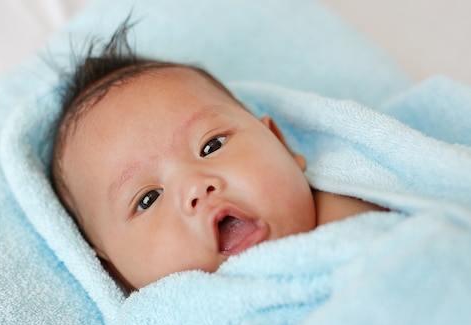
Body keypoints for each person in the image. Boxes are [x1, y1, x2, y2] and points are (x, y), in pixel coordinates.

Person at [50, 21, 386, 292]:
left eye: (211, 146)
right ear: (114, 270)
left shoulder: (355, 211)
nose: (195, 186)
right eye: (148, 199)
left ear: (279, 143)